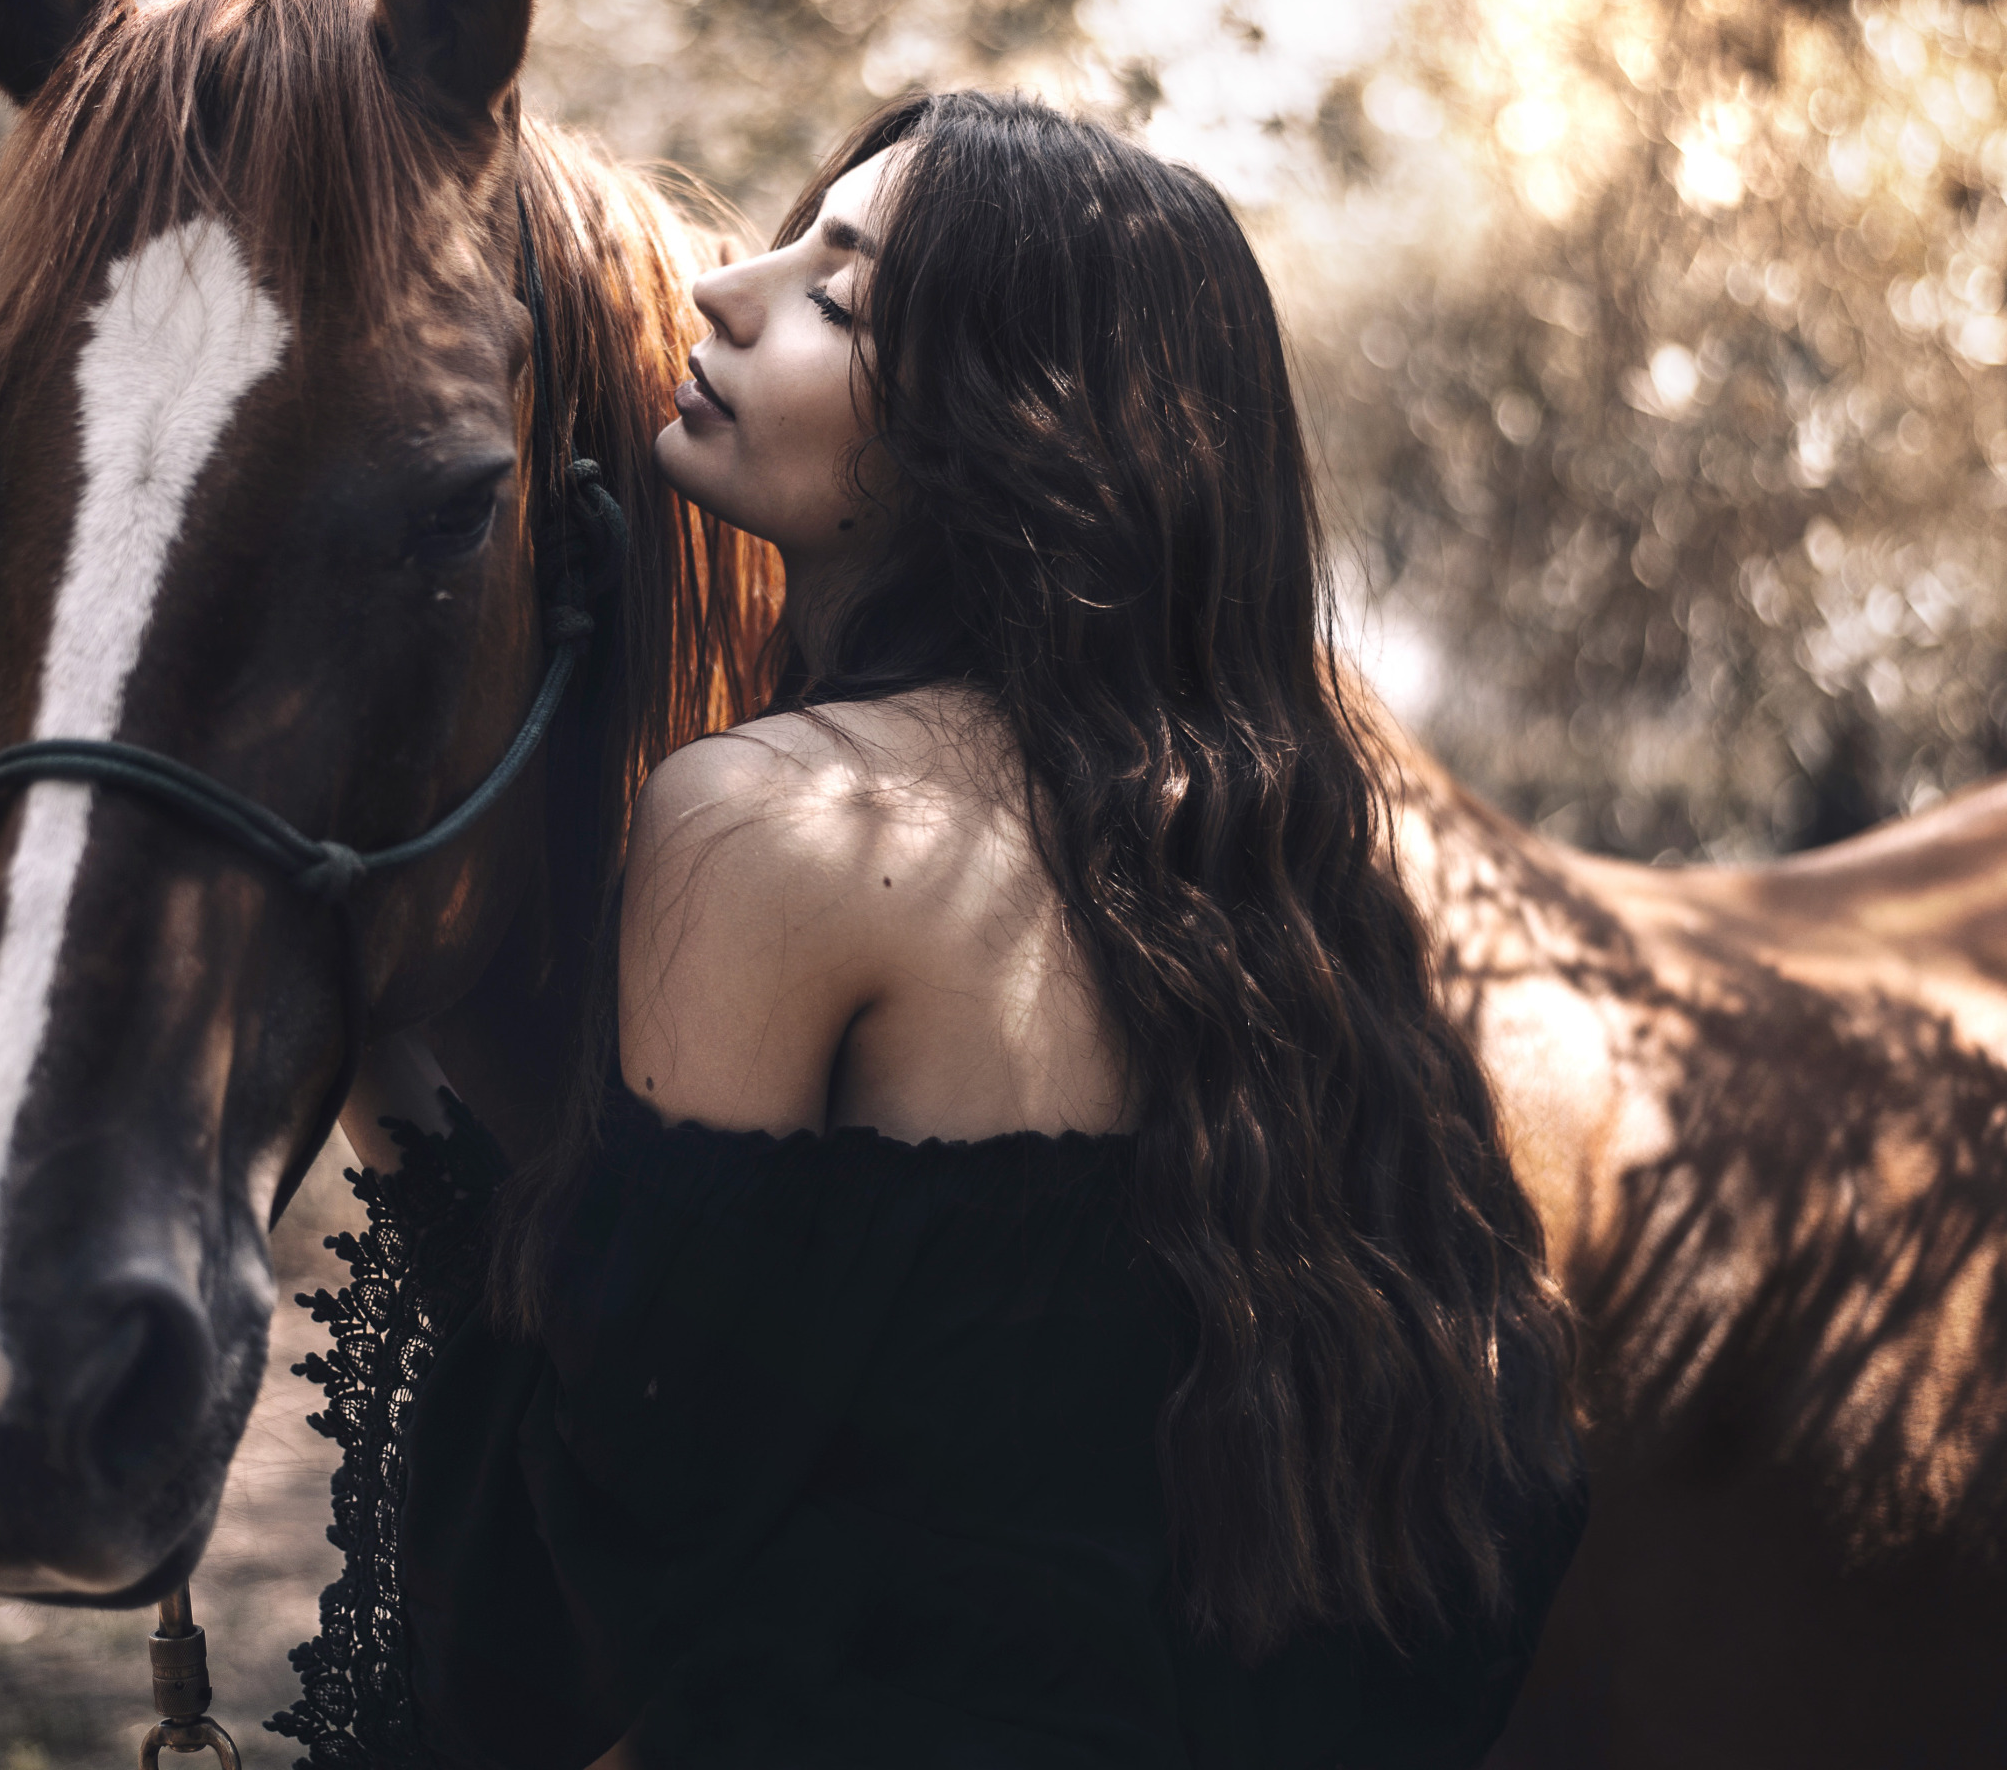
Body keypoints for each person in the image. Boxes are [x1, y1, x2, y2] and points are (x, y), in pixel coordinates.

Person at [302, 91, 1585, 1770]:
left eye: (839, 297)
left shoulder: (776, 818)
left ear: (1008, 433)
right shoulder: (1266, 907)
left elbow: (628, 1509)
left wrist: (363, 1051)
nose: (724, 294)